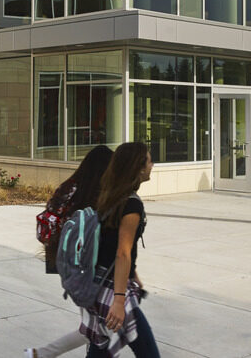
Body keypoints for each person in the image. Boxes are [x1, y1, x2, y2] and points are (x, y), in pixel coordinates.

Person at [24, 144, 113, 358]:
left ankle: (42, 354)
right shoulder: (96, 195)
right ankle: (40, 354)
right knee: (95, 327)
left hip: (63, 259)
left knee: (94, 324)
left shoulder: (69, 187)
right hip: (88, 265)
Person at [79, 141, 158, 358]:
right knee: (149, 354)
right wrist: (120, 300)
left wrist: (133, 274)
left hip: (99, 282)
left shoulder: (111, 196)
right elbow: (122, 252)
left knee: (100, 348)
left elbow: (109, 242)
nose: (153, 165)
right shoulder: (132, 205)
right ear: (139, 167)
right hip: (113, 289)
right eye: (150, 161)